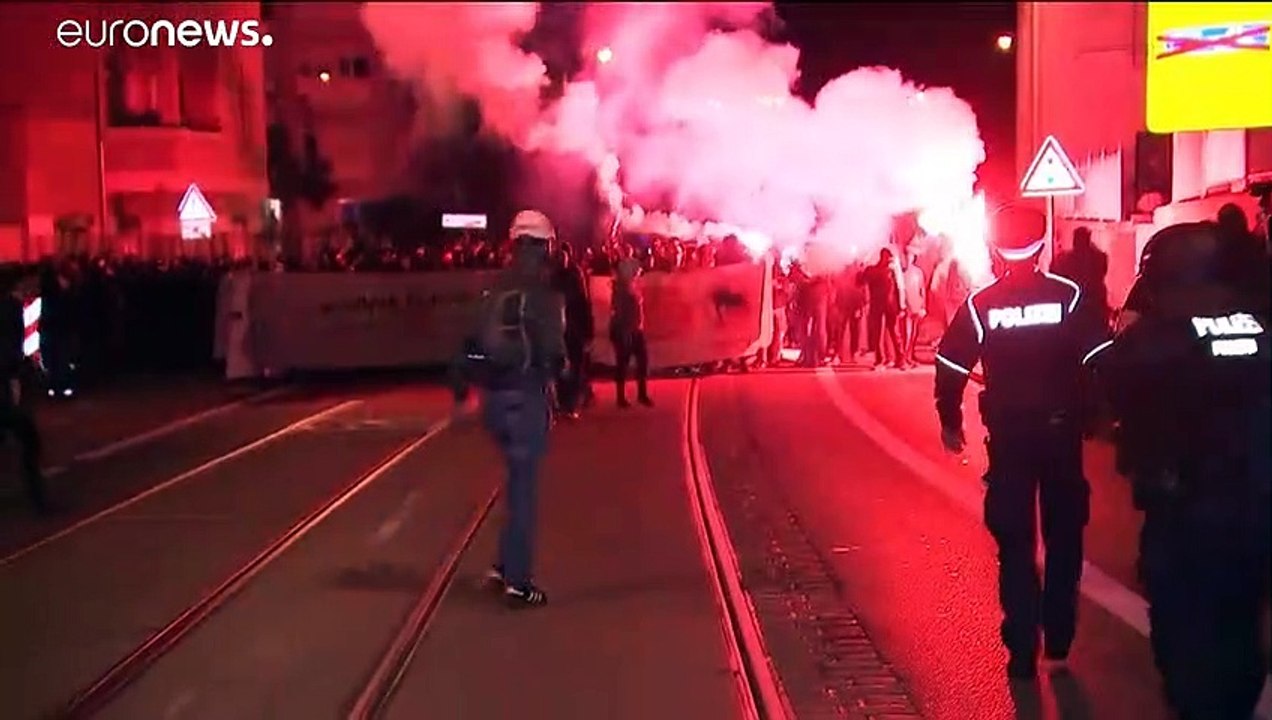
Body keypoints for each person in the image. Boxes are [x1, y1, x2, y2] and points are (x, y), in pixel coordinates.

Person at [1091, 221, 1270, 719]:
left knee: (1181, 630)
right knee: (1240, 621)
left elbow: (1102, 392)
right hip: (1254, 512)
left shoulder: (1150, 343)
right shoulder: (1260, 328)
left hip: (1183, 515)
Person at [933, 204, 1109, 680]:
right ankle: (1059, 635)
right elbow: (1101, 358)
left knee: (1014, 540)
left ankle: (1021, 645)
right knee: (1064, 533)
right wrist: (1098, 414)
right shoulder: (1069, 297)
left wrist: (950, 420)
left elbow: (950, 365)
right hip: (1060, 432)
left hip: (1009, 437)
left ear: (995, 247)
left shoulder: (981, 304)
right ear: (1042, 243)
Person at [452, 209, 566, 608]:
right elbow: (554, 349)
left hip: (494, 400)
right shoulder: (541, 290)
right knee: (524, 490)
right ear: (542, 245)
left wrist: (461, 387)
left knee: (516, 482)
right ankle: (518, 581)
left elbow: (466, 340)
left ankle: (502, 566)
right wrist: (565, 388)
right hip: (524, 394)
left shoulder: (493, 285)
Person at [1, 271, 49, 513]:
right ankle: (37, 500)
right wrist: (14, 378)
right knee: (29, 441)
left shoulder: (16, 307)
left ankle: (37, 497)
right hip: (5, 386)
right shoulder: (9, 310)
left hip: (9, 381)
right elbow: (8, 348)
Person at [552, 242, 594, 418]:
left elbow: (584, 305)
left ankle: (571, 404)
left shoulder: (574, 276)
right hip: (559, 330)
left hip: (573, 330)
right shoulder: (553, 278)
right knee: (562, 368)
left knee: (575, 368)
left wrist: (588, 332)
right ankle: (565, 403)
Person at [610, 245, 652, 408]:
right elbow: (618, 311)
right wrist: (624, 331)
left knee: (642, 361)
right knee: (623, 363)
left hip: (636, 329)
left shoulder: (633, 287)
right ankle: (621, 397)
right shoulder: (621, 290)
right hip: (624, 330)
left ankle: (641, 394)